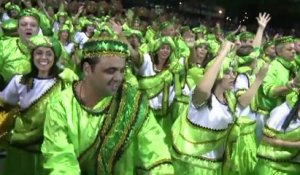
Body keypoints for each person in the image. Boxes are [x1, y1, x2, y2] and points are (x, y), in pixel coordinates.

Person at [41, 38, 174, 174]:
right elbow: (60, 161)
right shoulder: (61, 105)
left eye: (122, 71)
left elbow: (156, 150)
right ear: (87, 69)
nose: (119, 78)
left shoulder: (131, 101)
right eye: (111, 71)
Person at [0, 35, 72, 175]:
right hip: (21, 147)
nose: (43, 57)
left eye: (48, 54)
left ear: (55, 57)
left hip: (52, 147)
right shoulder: (19, 81)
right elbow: (4, 103)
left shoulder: (65, 81)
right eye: (38, 53)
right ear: (32, 56)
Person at [255, 92, 300, 174]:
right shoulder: (285, 109)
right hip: (270, 163)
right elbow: (265, 138)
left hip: (293, 166)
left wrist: (281, 143)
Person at [0, 11, 40, 90]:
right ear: (17, 29)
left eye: (33, 25)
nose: (28, 27)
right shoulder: (3, 46)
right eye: (24, 25)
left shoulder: (50, 48)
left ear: (38, 29)